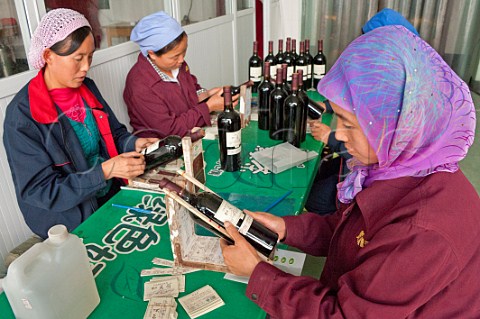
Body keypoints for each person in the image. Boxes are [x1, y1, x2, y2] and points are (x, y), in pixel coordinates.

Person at [220, 25, 480, 318]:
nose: (338, 134)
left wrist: (258, 274)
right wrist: (286, 227)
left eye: (349, 124)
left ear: (396, 127)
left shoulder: (421, 232)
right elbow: (352, 233)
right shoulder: (400, 169)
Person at [3, 9, 157, 239]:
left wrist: (133, 143)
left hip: (109, 196)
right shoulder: (23, 116)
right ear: (48, 55)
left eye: (90, 57)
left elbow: (114, 134)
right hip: (71, 222)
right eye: (78, 58)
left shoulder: (87, 89)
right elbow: (42, 192)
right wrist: (105, 171)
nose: (85, 67)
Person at [305, 8, 418, 215]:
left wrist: (329, 138)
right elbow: (359, 95)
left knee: (315, 200)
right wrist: (329, 106)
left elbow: (373, 150)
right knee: (317, 175)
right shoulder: (390, 74)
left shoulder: (396, 96)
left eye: (369, 40)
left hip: (365, 174)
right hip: (353, 160)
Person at [123, 11, 226, 138]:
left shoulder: (177, 65)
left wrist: (207, 95)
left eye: (184, 51)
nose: (182, 60)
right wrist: (208, 106)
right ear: (152, 54)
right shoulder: (140, 86)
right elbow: (170, 130)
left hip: (191, 131)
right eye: (175, 56)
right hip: (163, 146)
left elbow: (191, 89)